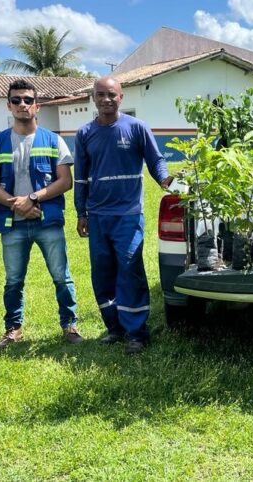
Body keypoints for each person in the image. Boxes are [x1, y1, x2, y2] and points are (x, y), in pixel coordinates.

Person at [74, 77, 172, 354]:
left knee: (130, 270)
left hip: (128, 215)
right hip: (97, 215)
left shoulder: (136, 128)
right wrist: (81, 212)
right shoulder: (84, 134)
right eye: (100, 94)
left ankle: (137, 333)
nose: (106, 99)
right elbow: (80, 177)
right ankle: (114, 327)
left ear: (121, 98)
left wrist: (164, 180)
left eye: (112, 95)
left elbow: (156, 160)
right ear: (93, 98)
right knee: (102, 272)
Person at [0, 79, 80, 347]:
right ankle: (13, 328)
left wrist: (33, 198)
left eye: (27, 100)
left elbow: (64, 181)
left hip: (47, 221)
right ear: (9, 105)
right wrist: (17, 204)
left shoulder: (53, 140)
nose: (22, 105)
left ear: (37, 105)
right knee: (13, 280)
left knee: (61, 276)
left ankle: (70, 325)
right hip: (12, 223)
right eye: (16, 100)